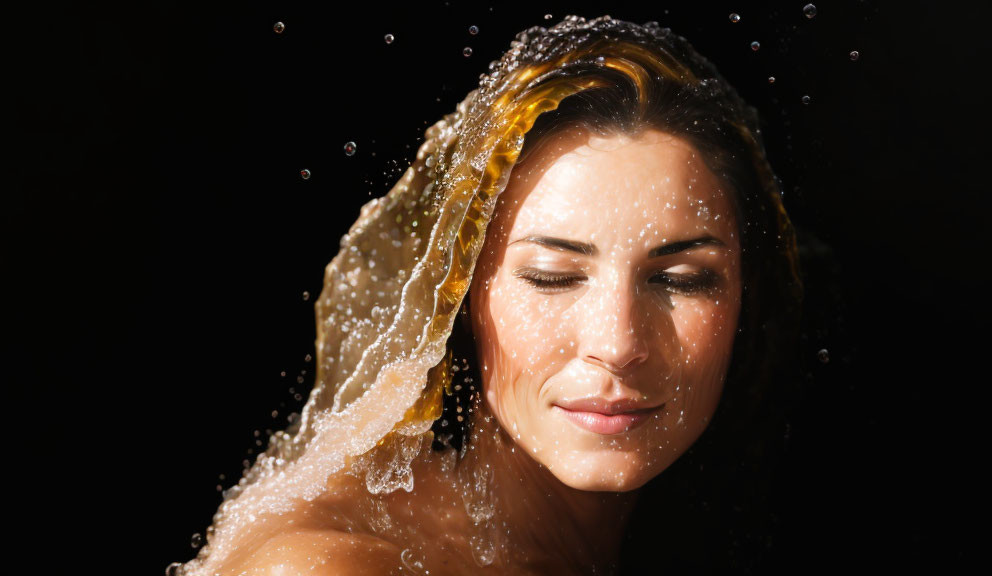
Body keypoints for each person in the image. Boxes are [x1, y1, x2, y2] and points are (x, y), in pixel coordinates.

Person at [173, 14, 803, 576]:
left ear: (746, 297)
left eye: (679, 280)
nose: (618, 343)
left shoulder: (741, 524)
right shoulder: (339, 568)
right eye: (552, 276)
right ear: (460, 294)